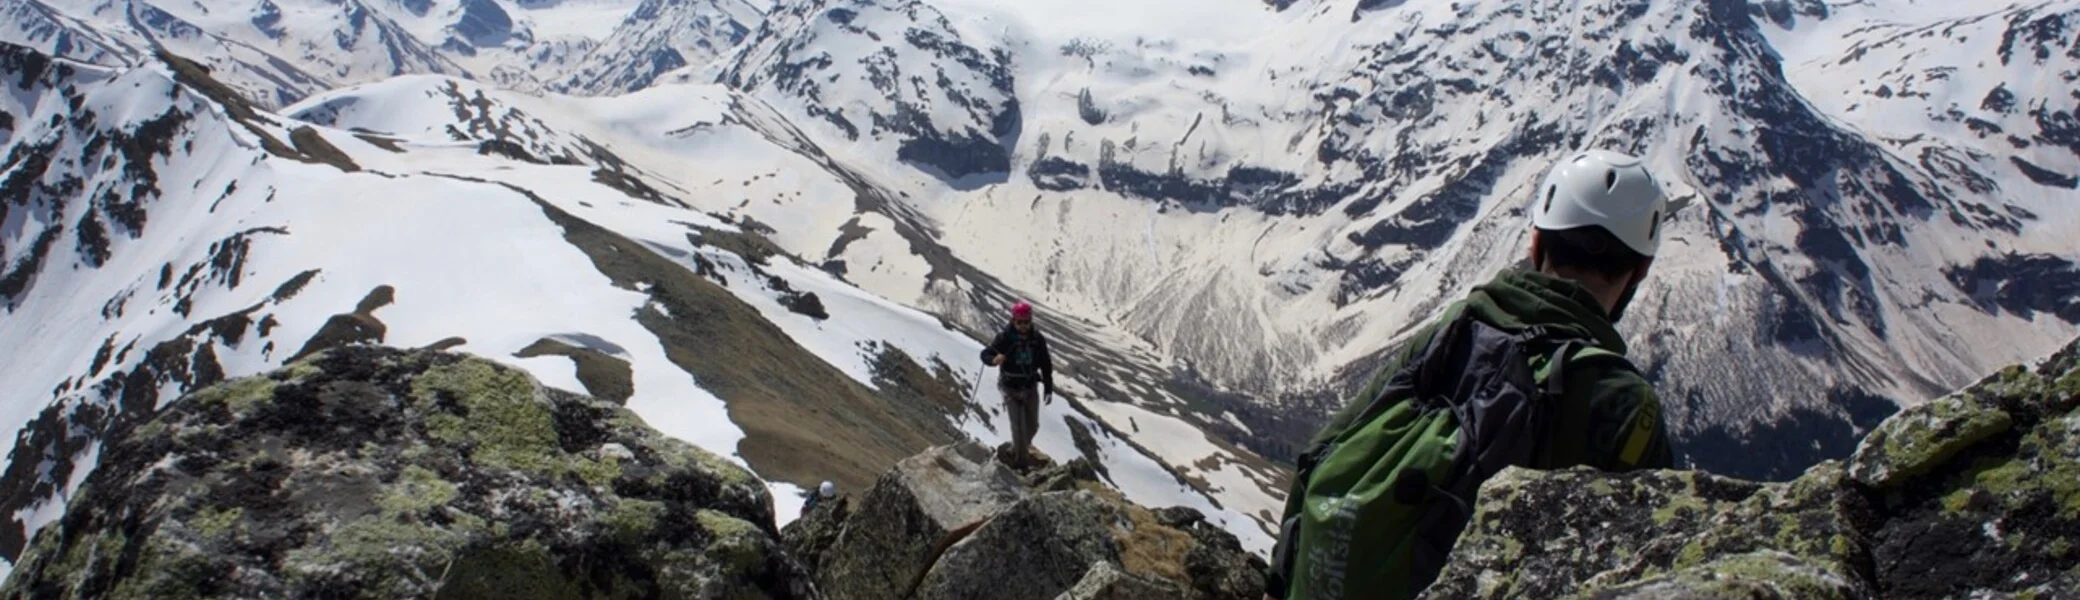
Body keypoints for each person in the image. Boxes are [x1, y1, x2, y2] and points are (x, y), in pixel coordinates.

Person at [1264, 149, 1679, 600]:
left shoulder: (1458, 327)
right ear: (1640, 270)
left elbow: (1325, 447)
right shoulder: (1627, 406)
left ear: (1536, 243)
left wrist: (1279, 582)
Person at [980, 301, 1055, 467]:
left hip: (1030, 386)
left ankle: (1017, 448)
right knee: (1017, 427)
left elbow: (1045, 364)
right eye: (1019, 322)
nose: (1023, 326)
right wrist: (993, 360)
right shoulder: (1004, 338)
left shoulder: (1037, 339)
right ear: (1013, 320)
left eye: (1026, 322)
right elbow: (985, 354)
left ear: (1030, 321)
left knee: (1032, 425)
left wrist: (1048, 388)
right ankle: (1021, 463)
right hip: (1009, 387)